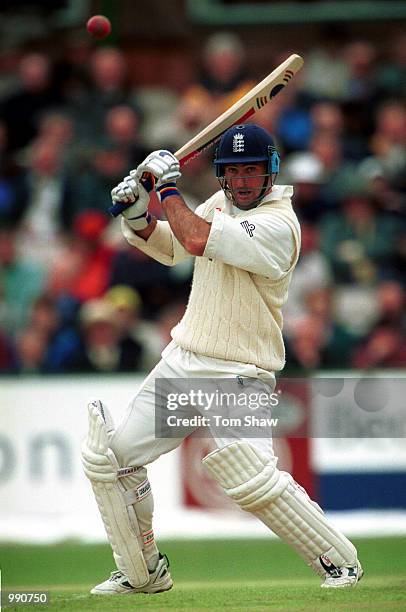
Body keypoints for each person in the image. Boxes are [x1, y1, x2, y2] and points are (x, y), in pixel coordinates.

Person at [81, 124, 363, 596]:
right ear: (222, 176)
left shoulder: (279, 225)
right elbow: (171, 245)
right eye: (234, 172)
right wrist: (136, 216)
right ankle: (142, 572)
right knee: (112, 460)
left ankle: (340, 562)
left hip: (239, 373)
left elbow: (195, 239)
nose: (244, 180)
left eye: (252, 170)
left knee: (252, 481)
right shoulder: (218, 204)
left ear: (271, 173)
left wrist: (166, 187)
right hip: (184, 363)